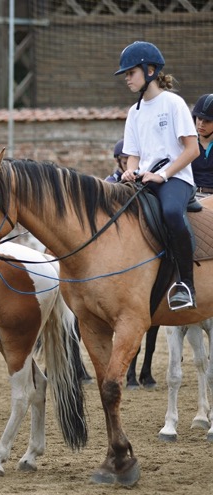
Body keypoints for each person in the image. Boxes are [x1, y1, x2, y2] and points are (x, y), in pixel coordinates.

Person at [116, 41, 199, 310]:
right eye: (126, 74)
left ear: (150, 70)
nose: (127, 78)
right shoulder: (134, 112)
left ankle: (186, 284)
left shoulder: (173, 103)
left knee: (172, 213)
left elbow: (192, 150)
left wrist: (162, 175)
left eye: (131, 73)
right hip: (145, 179)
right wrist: (130, 169)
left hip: (176, 179)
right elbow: (133, 154)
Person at [191, 93, 213, 196]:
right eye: (199, 118)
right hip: (191, 197)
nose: (201, 124)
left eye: (207, 121)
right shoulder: (187, 144)